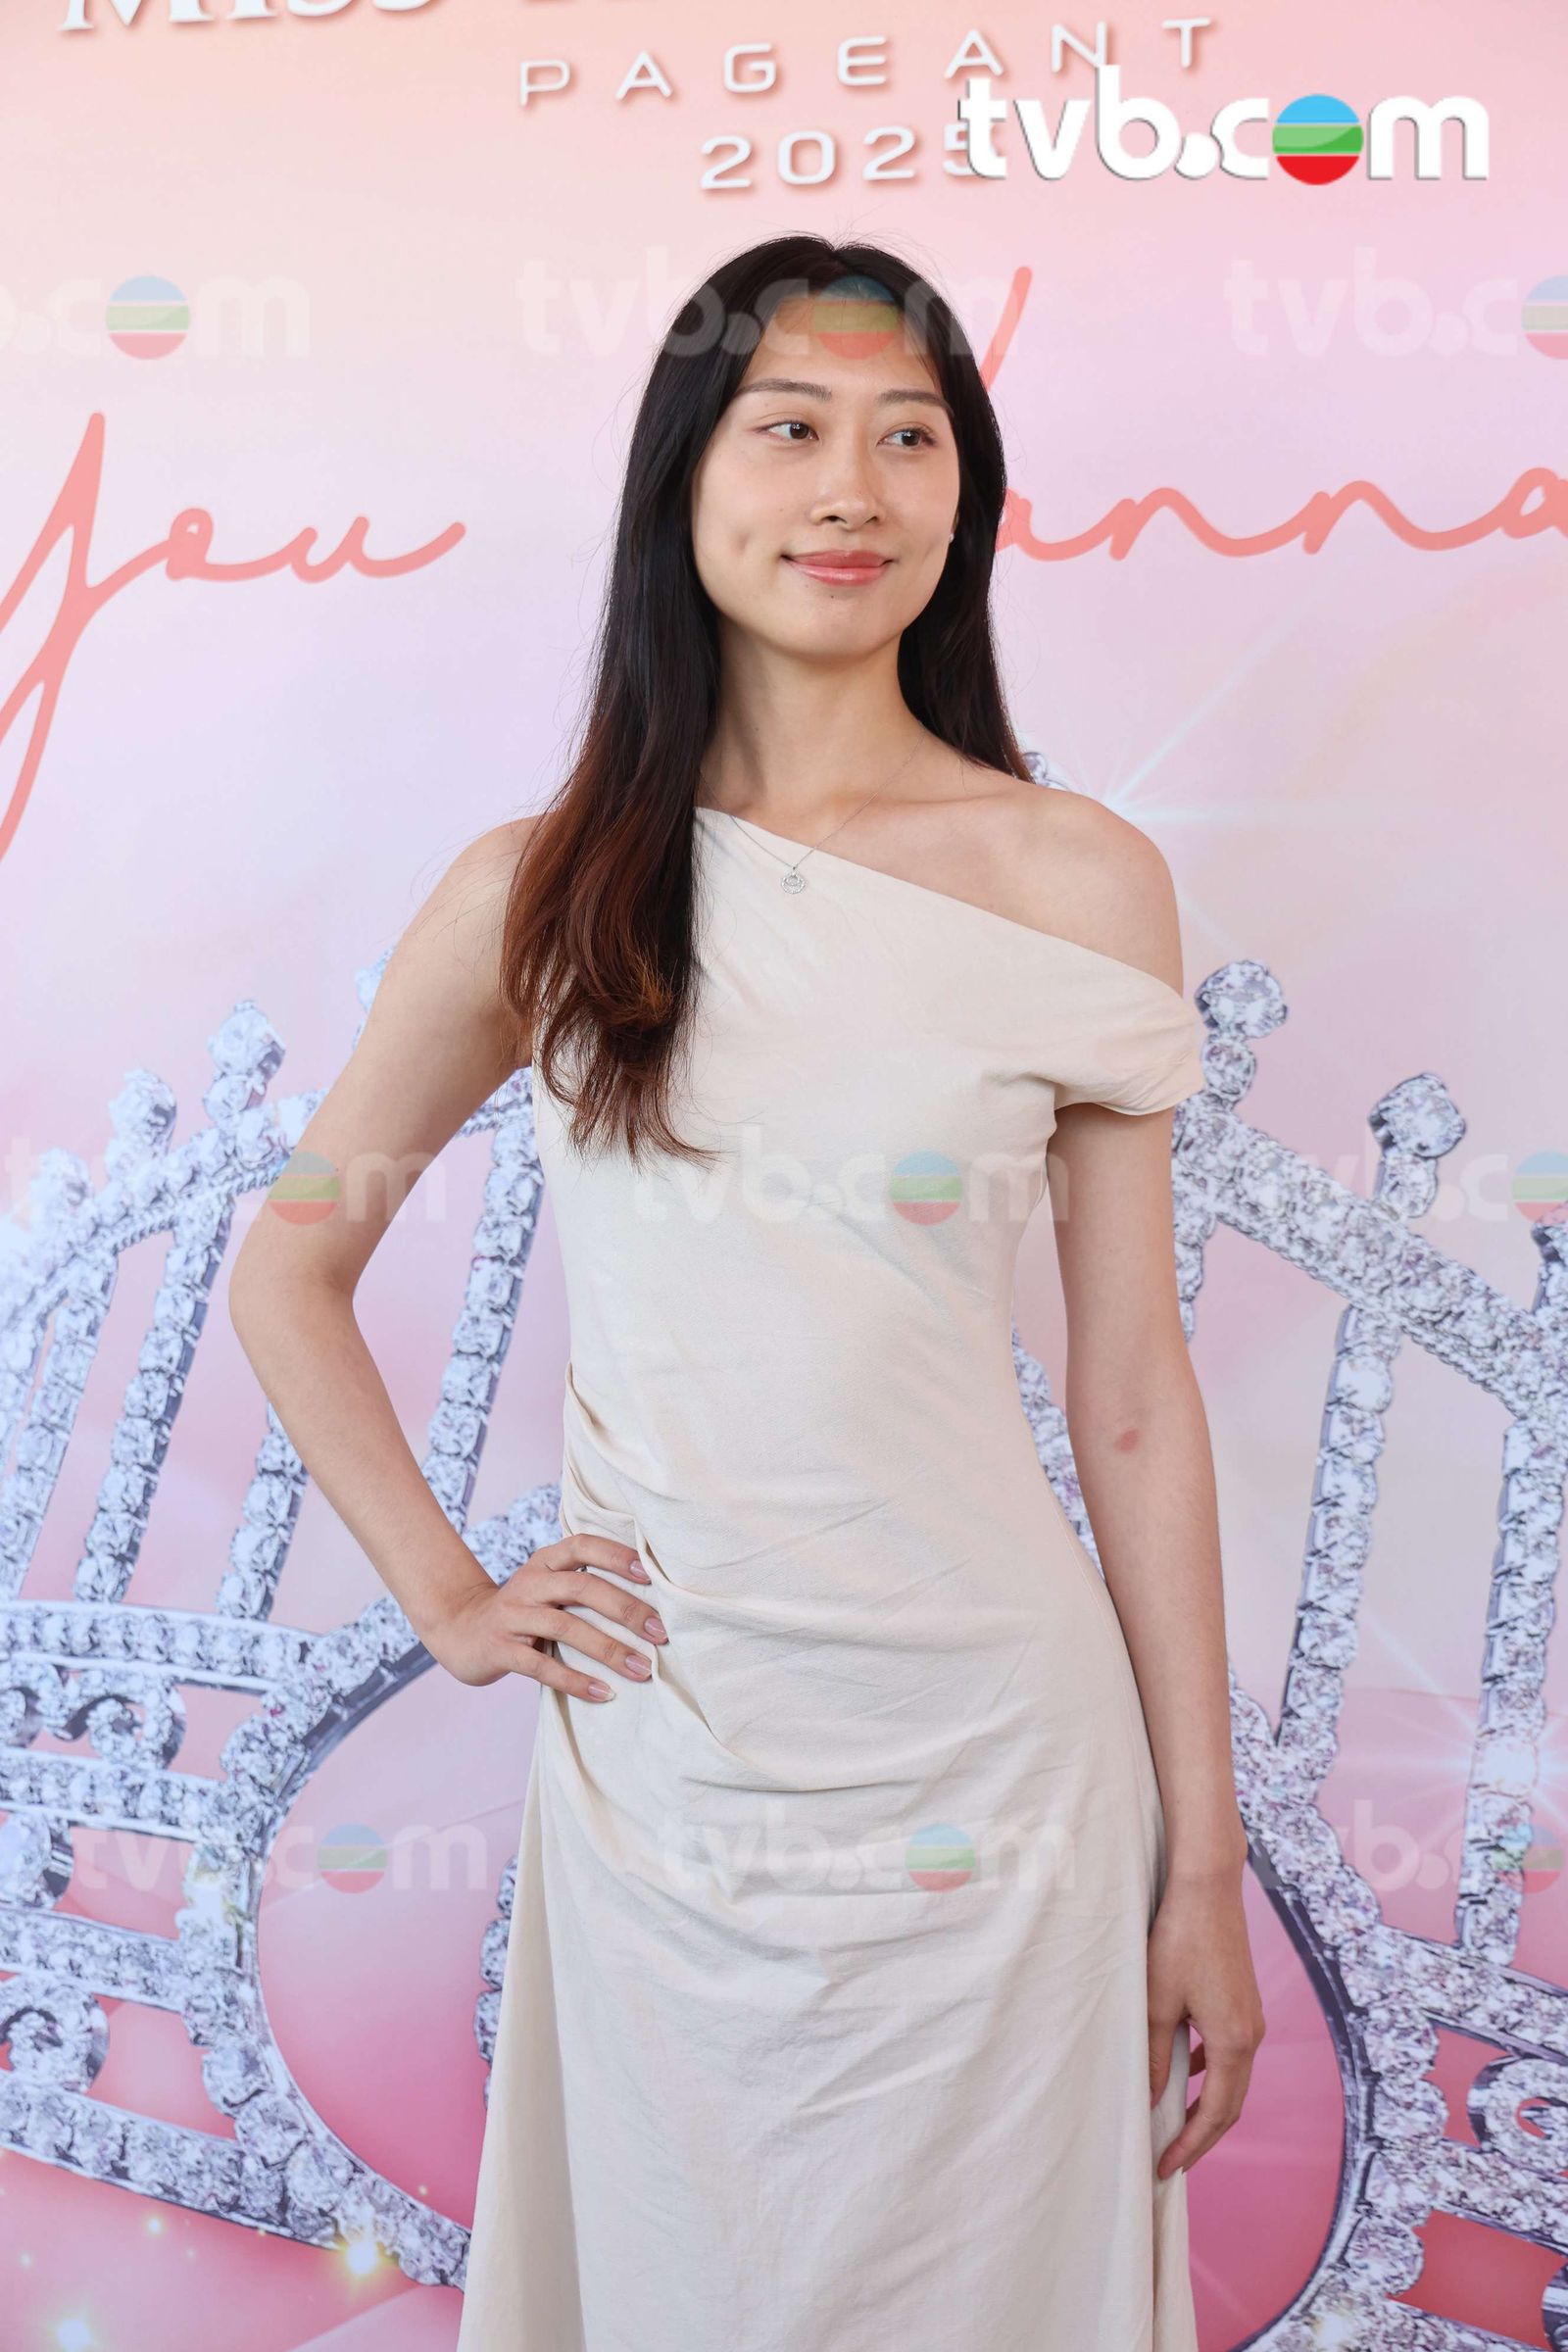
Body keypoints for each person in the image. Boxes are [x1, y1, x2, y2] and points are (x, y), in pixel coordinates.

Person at [229, 232, 1264, 2351]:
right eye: (788, 429)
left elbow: (1135, 1393)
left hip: (1005, 1771)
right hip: (676, 1768)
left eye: (909, 438)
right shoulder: (539, 890)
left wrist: (1197, 1866)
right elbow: (293, 1261)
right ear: (683, 480)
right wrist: (450, 1597)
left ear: (964, 495)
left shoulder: (1075, 878)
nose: (850, 491)